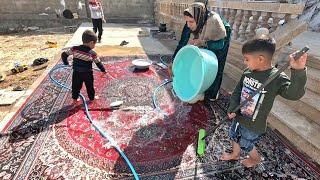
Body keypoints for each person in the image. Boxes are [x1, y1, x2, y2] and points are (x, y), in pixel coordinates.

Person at [220, 36, 308, 167]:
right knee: (234, 135)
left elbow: (294, 94)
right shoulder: (248, 72)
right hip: (239, 115)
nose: (244, 62)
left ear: (260, 59)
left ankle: (255, 159)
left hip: (253, 124)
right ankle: (235, 154)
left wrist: (298, 71)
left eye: (247, 59)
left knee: (246, 143)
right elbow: (238, 90)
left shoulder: (276, 78)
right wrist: (233, 107)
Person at [170, 2, 232, 102]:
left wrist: (203, 42)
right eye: (187, 21)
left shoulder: (213, 21)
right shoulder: (193, 19)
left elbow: (220, 45)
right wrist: (173, 63)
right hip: (205, 30)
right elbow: (182, 42)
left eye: (190, 22)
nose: (188, 25)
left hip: (221, 36)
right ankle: (203, 85)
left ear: (198, 19)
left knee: (217, 62)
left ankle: (212, 93)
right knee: (200, 57)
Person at [61, 30, 106, 105]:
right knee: (90, 87)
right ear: (91, 42)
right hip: (87, 74)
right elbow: (98, 63)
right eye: (95, 44)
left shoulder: (74, 49)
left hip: (76, 72)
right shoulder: (92, 53)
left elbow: (64, 54)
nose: (94, 46)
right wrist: (103, 70)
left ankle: (75, 99)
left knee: (75, 86)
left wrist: (66, 63)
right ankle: (92, 99)